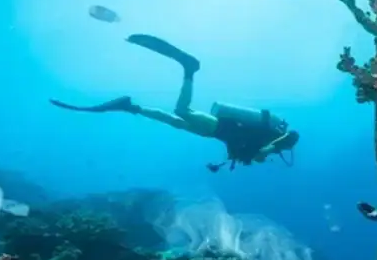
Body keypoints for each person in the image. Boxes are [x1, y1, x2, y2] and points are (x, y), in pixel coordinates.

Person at [50, 34, 300, 172]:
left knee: (175, 121)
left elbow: (248, 151)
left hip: (217, 132)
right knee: (181, 111)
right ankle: (189, 69)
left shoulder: (268, 140)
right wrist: (264, 152)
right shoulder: (273, 143)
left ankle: (130, 106)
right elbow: (268, 149)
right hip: (221, 128)